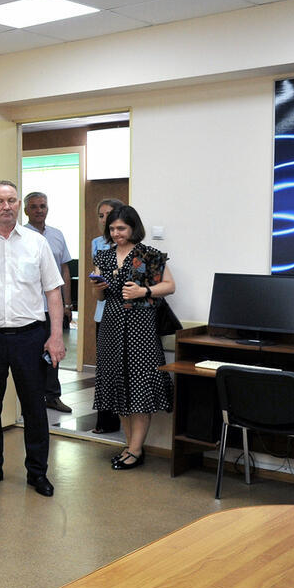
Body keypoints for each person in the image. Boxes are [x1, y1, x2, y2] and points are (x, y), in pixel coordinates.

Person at [0, 181, 65, 497]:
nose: (6, 206)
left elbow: (53, 292)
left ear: (18, 205)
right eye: (0, 201)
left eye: (12, 200)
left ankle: (37, 472)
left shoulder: (37, 244)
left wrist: (56, 336)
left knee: (34, 407)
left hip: (30, 337)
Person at [89, 204, 175, 470]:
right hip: (111, 326)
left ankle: (136, 450)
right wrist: (97, 287)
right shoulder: (103, 256)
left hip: (141, 328)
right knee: (118, 389)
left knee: (139, 388)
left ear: (133, 228)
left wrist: (143, 291)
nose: (116, 233)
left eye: (121, 228)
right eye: (112, 229)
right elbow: (99, 297)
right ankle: (130, 447)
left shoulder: (149, 255)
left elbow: (170, 286)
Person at [23, 191, 74, 414]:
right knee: (31, 355)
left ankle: (52, 396)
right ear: (26, 210)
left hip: (53, 307)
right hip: (30, 308)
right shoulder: (21, 235)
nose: (39, 210)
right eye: (34, 206)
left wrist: (67, 304)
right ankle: (31, 400)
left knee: (54, 352)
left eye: (42, 206)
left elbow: (64, 270)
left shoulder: (57, 235)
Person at [89, 198, 124, 434]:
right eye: (101, 216)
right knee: (105, 370)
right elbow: (99, 277)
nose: (105, 220)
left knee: (123, 371)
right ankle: (105, 422)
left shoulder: (134, 248)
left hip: (125, 313)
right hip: (103, 311)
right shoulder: (97, 243)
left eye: (109, 214)